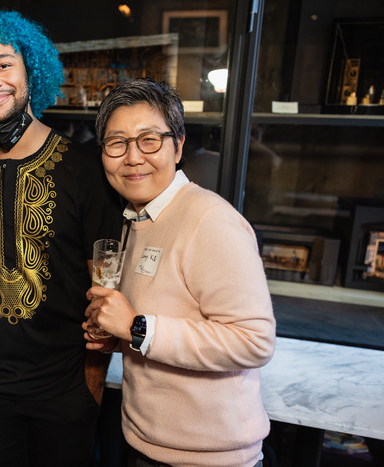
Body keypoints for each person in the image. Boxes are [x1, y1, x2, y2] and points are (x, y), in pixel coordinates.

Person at [0, 8, 123, 467]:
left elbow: (108, 284)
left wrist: (91, 387)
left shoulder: (88, 171)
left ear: (29, 70)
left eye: (3, 64)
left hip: (64, 392)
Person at [84, 77, 276, 467]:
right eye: (117, 143)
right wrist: (120, 337)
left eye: (149, 140)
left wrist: (137, 327)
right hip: (145, 444)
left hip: (210, 457)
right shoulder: (137, 219)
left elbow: (254, 341)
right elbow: (173, 322)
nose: (133, 157)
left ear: (179, 145)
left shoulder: (210, 220)